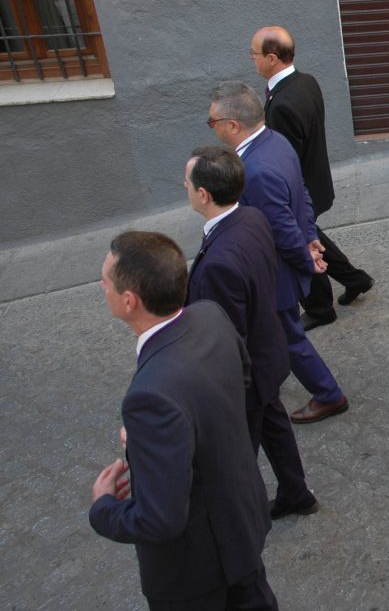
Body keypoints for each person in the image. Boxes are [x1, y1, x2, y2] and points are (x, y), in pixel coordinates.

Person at [89, 231, 277, 609]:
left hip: (198, 573)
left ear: (130, 301)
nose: (101, 286)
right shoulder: (211, 316)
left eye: (105, 281)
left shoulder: (150, 397)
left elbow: (160, 520)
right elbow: (239, 386)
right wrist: (167, 436)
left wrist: (103, 508)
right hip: (241, 525)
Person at [185, 145, 319, 518]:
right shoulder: (252, 218)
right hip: (269, 354)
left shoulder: (218, 264)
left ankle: (243, 523)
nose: (184, 185)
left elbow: (227, 336)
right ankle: (296, 493)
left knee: (236, 456)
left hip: (246, 377)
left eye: (187, 181)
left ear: (204, 194)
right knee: (275, 426)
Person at [208, 81, 351, 424]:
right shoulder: (277, 142)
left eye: (212, 122)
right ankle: (268, 376)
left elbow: (280, 226)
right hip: (283, 263)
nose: (211, 128)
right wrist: (311, 238)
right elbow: (300, 193)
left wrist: (307, 256)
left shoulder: (253, 171)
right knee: (270, 332)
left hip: (275, 274)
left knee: (289, 337)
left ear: (232, 125)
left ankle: (328, 395)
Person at [254, 26, 375, 331]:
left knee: (301, 244)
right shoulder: (306, 82)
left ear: (271, 58)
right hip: (316, 181)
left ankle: (320, 308)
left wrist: (284, 200)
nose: (251, 60)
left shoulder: (281, 105)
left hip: (300, 192)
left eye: (254, 54)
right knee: (313, 237)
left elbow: (283, 160)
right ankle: (356, 279)